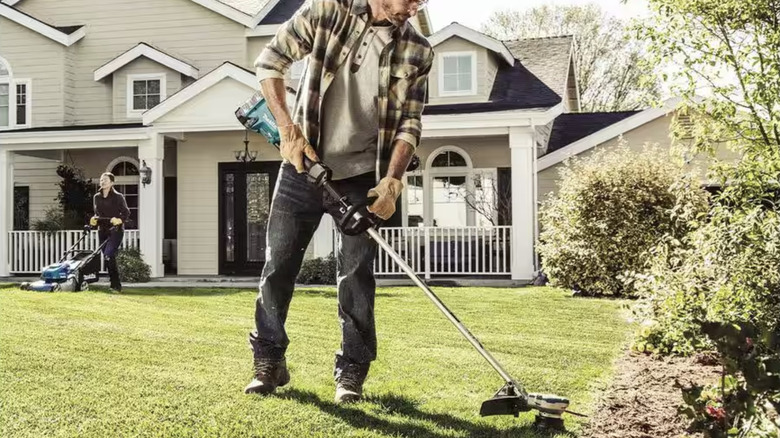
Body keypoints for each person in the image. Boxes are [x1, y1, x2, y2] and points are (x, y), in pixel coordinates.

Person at [244, 0, 434, 404]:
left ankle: (351, 373)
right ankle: (268, 362)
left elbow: (410, 123)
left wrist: (392, 181)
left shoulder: (418, 50)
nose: (416, 6)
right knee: (278, 264)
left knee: (356, 275)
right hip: (303, 163)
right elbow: (270, 62)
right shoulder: (329, 10)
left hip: (364, 175)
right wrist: (288, 130)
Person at [90, 172, 131, 293]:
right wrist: (94, 219)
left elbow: (126, 212)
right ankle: (115, 284)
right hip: (102, 230)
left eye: (105, 180)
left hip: (115, 230)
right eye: (101, 180)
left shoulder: (118, 197)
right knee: (108, 257)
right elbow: (97, 213)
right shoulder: (96, 197)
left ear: (112, 183)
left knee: (108, 254)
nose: (102, 182)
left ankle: (115, 285)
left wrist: (119, 220)